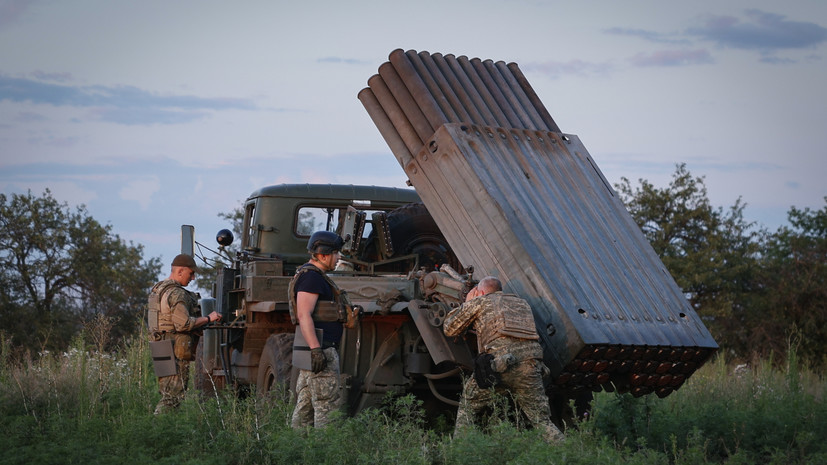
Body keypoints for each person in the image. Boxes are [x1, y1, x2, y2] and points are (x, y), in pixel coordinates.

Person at [443, 276, 564, 442]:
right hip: (531, 367)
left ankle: (459, 449)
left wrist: (468, 302)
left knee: (468, 404)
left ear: (481, 292)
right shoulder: (522, 304)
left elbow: (450, 328)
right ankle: (567, 452)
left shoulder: (481, 302)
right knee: (541, 421)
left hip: (500, 366)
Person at [148, 253, 220, 415]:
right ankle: (158, 429)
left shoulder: (158, 290)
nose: (193, 278)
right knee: (173, 397)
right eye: (191, 273)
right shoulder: (177, 294)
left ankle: (162, 430)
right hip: (175, 350)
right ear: (180, 271)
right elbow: (184, 324)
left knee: (167, 393)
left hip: (160, 347)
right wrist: (209, 317)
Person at [289, 231, 347, 428]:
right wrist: (316, 349)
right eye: (336, 253)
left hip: (314, 351)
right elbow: (304, 314)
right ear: (323, 255)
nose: (338, 258)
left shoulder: (312, 276)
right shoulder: (312, 278)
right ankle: (324, 453)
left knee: (305, 408)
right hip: (320, 350)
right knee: (327, 409)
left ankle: (297, 451)